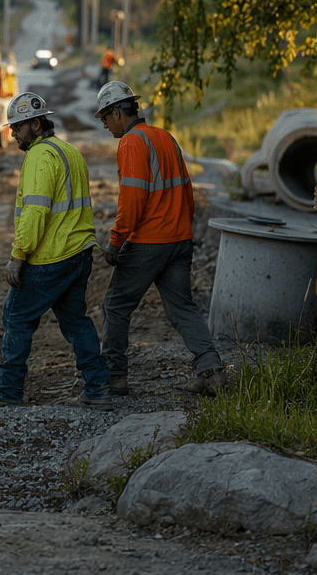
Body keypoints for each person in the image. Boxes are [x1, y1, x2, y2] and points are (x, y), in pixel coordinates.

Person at [0, 91, 112, 410]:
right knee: (76, 321)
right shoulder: (69, 151)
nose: (12, 134)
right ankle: (98, 388)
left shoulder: (39, 157)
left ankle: (8, 392)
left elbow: (35, 213)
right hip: (79, 254)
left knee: (16, 316)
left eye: (18, 127)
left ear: (36, 124)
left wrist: (18, 256)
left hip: (51, 257)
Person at [95, 81, 229, 396]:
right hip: (179, 239)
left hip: (148, 242)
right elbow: (187, 190)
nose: (103, 125)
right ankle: (212, 369)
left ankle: (114, 378)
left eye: (104, 118)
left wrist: (116, 242)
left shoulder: (130, 142)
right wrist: (184, 228)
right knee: (182, 306)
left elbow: (131, 201)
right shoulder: (164, 137)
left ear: (118, 113)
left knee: (115, 305)